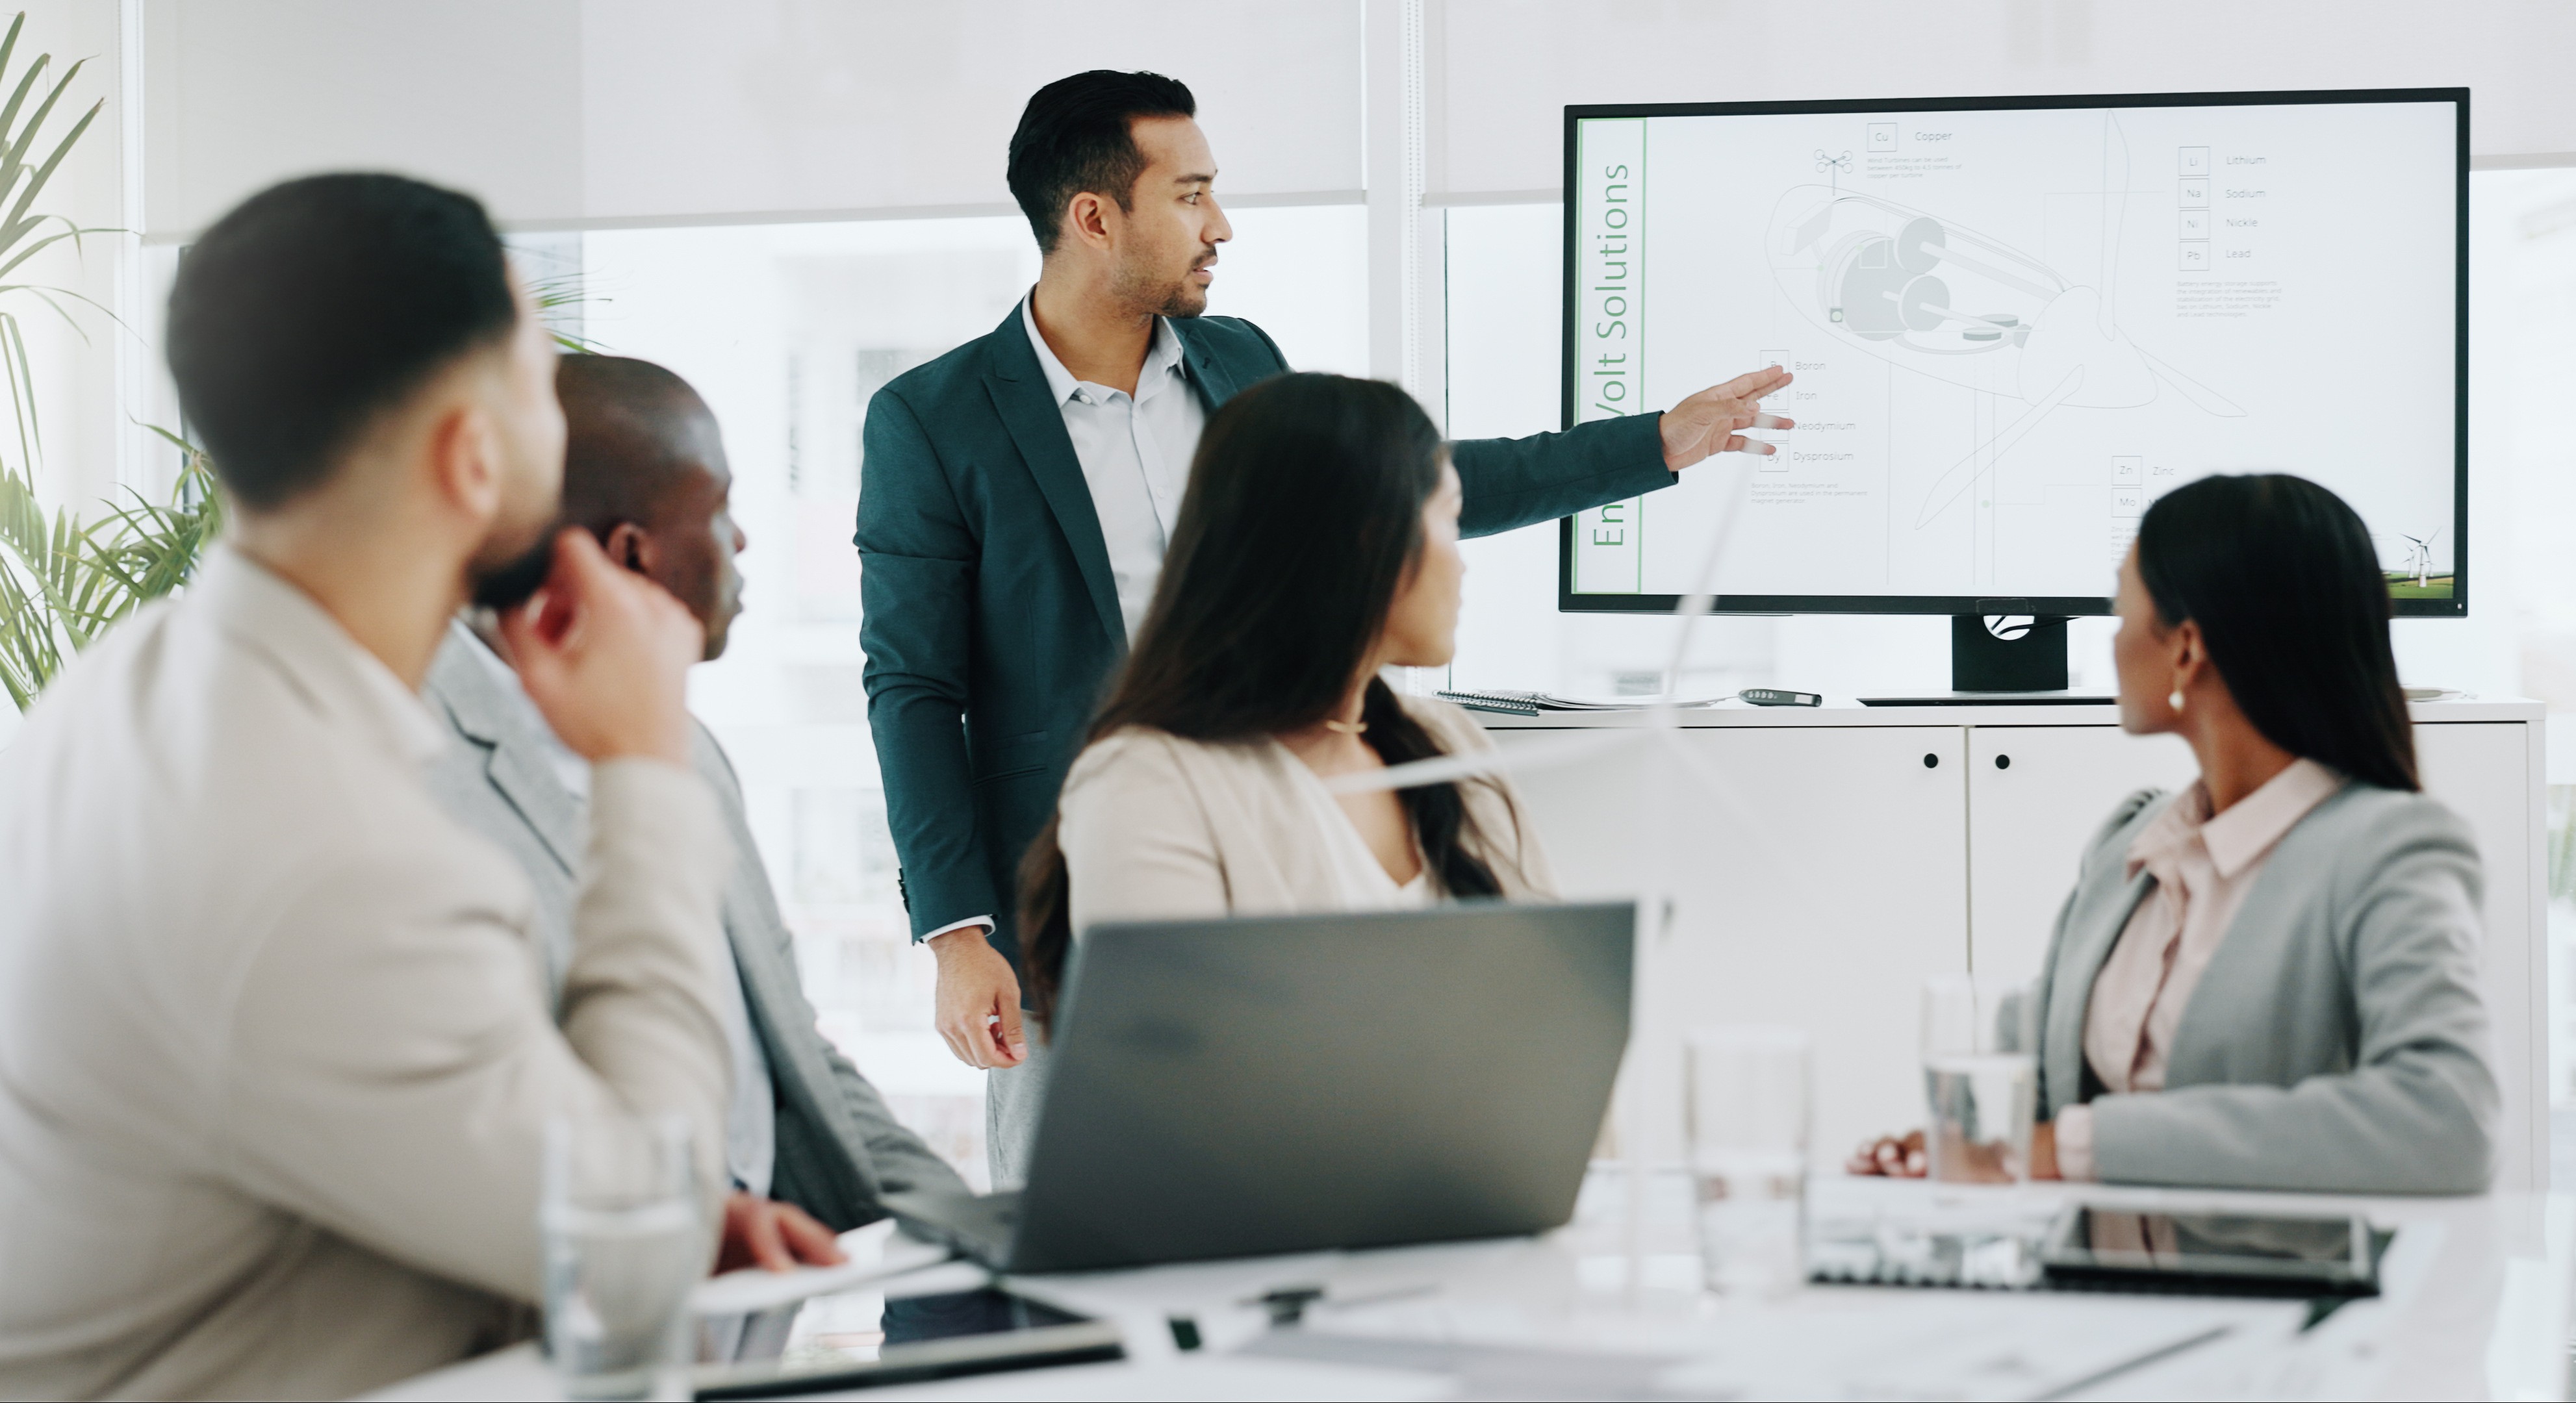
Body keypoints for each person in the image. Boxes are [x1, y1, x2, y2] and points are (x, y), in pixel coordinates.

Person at [860, 70, 1786, 1178]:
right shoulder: (932, 418)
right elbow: (913, 687)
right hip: (1083, 868)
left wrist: (1652, 445)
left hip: (1292, 821)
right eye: (1191, 195)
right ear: (1094, 217)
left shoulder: (1239, 362)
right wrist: (957, 933)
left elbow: (1402, 490)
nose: (1221, 227)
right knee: (1106, 1193)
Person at [0, 174, 742, 1398]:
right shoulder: (322, 857)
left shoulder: (125, 684)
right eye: (538, 364)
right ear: (472, 454)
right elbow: (636, 1256)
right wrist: (644, 764)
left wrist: (624, 1186)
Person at [423, 355, 967, 1295]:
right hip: (595, 1301)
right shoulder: (417, 769)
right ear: (630, 555)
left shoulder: (691, 748)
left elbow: (790, 1057)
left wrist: (973, 1227)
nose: (744, 539)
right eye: (718, 507)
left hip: (773, 1293)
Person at [1851, 474, 2496, 1194]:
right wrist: (1954, 1148)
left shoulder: (2389, 850)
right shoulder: (2130, 843)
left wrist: (2072, 1148)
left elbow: (2445, 1125)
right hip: (2091, 1293)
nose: (2113, 639)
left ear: (2185, 648)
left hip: (2281, 1297)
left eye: (2119, 609)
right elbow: (2035, 1085)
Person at [999, 372, 1557, 1159]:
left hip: (1485, 1234)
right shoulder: (1147, 783)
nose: (1462, 565)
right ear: (1366, 540)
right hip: (1268, 1264)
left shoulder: (1449, 746)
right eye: (1450, 521)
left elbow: (1555, 1037)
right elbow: (1180, 1105)